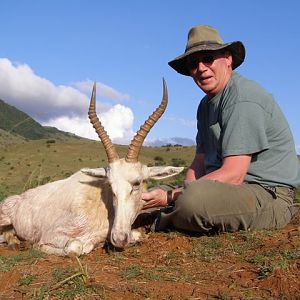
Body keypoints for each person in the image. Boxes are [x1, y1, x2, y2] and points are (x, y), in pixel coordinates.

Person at [141, 25, 300, 233]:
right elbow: (198, 164)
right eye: (193, 64)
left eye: (208, 58)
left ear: (228, 59)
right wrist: (173, 192)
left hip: (267, 194)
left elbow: (233, 175)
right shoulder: (205, 105)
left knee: (191, 202)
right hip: (226, 188)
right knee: (150, 193)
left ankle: (156, 220)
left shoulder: (243, 97)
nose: (201, 68)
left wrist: (173, 197)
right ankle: (155, 211)